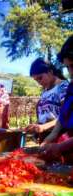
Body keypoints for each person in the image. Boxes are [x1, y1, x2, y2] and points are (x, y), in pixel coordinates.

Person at [40, 35, 73, 163]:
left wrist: (60, 147)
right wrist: (52, 136)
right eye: (68, 67)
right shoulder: (71, 87)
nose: (71, 73)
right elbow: (63, 115)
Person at [24, 58, 69, 143]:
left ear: (50, 72)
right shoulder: (45, 92)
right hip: (45, 137)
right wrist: (35, 126)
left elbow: (66, 115)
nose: (39, 82)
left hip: (60, 138)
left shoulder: (63, 87)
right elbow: (44, 116)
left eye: (40, 78)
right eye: (36, 80)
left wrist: (44, 127)